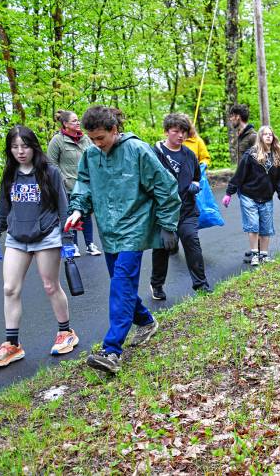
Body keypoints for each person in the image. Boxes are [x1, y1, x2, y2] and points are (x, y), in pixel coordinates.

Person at [66, 106, 180, 374]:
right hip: (109, 230)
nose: (96, 144)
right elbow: (84, 184)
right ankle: (146, 321)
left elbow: (165, 186)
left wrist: (167, 225)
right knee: (123, 285)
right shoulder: (91, 155)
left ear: (114, 130)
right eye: (91, 139)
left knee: (121, 284)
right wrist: (77, 208)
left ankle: (112, 350)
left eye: (100, 138)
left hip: (135, 227)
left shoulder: (138, 150)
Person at [0, 125, 79, 367]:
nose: (20, 151)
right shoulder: (10, 173)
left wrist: (67, 241)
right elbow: (4, 208)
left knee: (50, 285)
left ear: (33, 146)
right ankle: (12, 345)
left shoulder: (50, 172)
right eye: (15, 147)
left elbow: (63, 206)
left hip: (47, 235)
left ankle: (66, 332)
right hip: (17, 238)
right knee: (10, 289)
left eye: (24, 146)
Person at [150, 113, 211, 300]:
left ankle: (201, 284)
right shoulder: (154, 154)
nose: (180, 136)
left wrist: (196, 184)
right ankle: (157, 285)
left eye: (183, 132)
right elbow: (148, 181)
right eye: (176, 131)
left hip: (187, 210)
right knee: (162, 248)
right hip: (164, 213)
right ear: (167, 131)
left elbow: (196, 176)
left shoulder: (189, 154)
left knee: (192, 241)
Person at [222, 125, 280, 266]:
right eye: (265, 134)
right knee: (253, 225)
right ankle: (254, 255)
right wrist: (229, 193)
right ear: (260, 137)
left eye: (270, 134)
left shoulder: (276, 156)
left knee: (266, 227)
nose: (268, 136)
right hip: (249, 195)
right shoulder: (251, 154)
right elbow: (239, 175)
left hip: (266, 197)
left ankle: (264, 256)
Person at [47, 109, 102, 257]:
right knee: (71, 215)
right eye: (74, 121)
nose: (78, 123)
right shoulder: (57, 140)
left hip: (86, 184)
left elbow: (95, 157)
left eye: (78, 120)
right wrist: (62, 180)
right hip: (67, 186)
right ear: (65, 124)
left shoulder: (86, 139)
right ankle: (74, 245)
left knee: (86, 215)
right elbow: (51, 163)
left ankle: (90, 244)